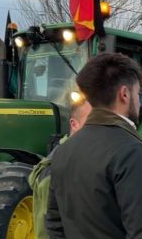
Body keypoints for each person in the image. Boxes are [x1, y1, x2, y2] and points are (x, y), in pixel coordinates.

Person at [45, 53, 142, 238]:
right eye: (138, 94)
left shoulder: (63, 151)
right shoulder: (131, 151)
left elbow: (55, 225)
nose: (139, 102)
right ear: (124, 94)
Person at [28, 98, 91, 239]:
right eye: (92, 123)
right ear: (74, 124)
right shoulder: (54, 171)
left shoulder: (88, 157)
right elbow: (48, 229)